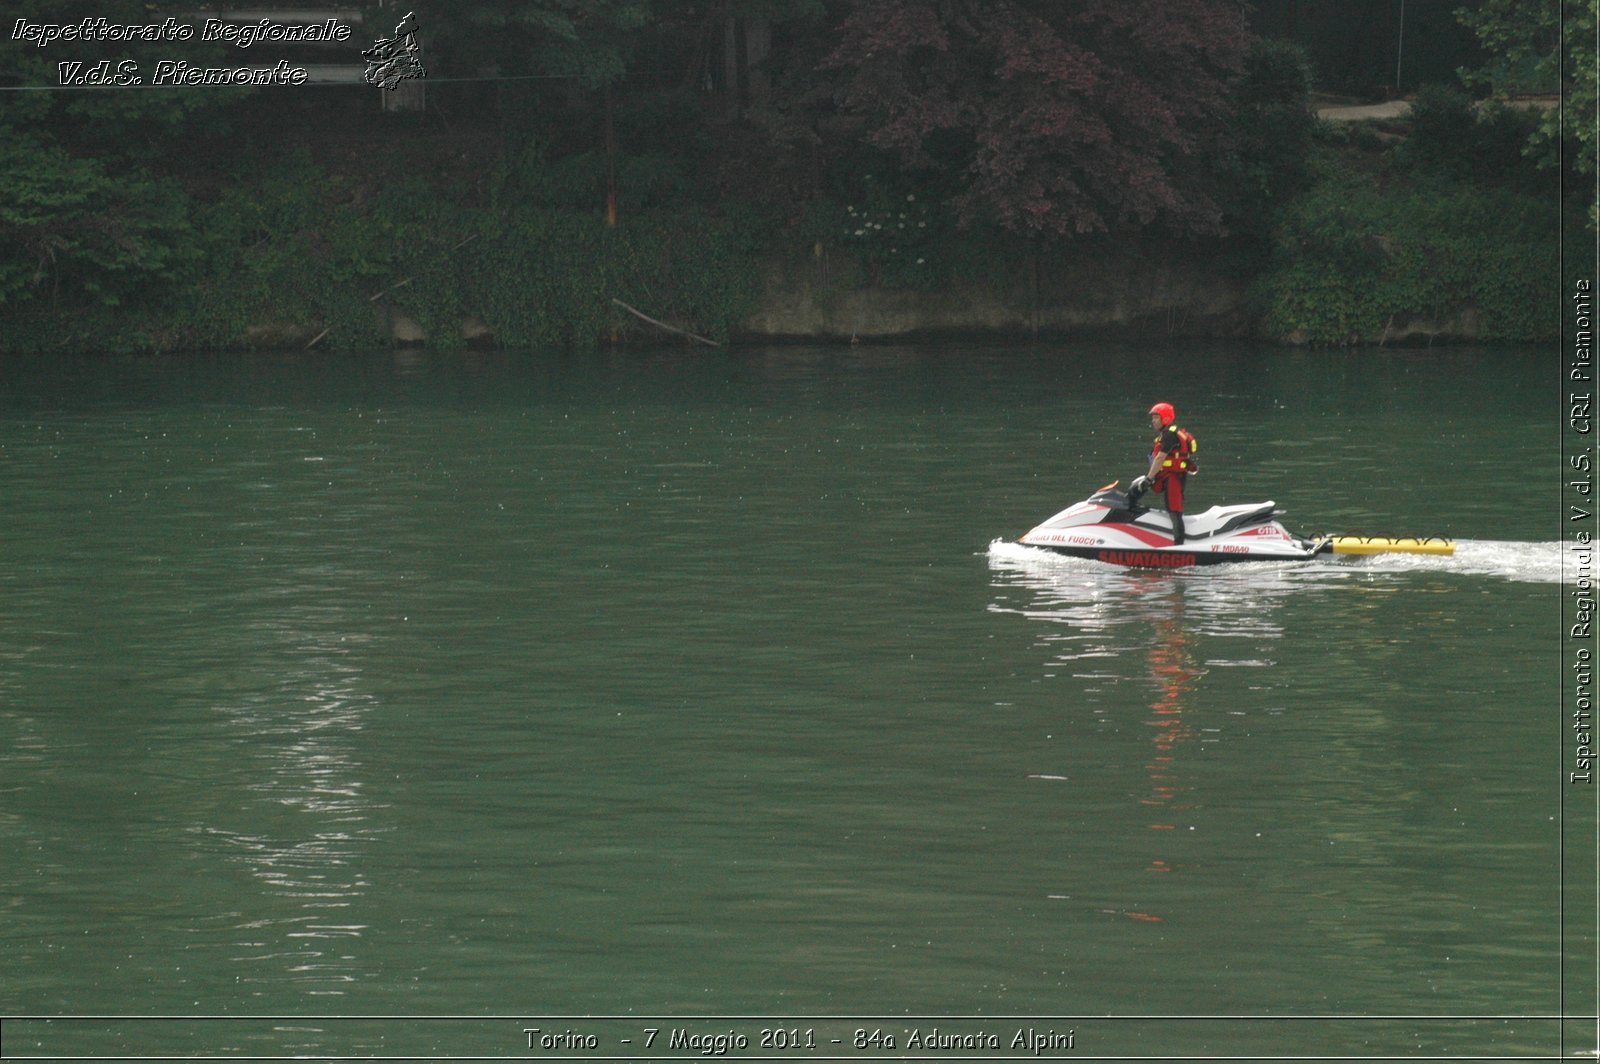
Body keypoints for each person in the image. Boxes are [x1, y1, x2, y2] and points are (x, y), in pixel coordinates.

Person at [1128, 402, 1197, 545]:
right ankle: (1128, 522)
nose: (1153, 421)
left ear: (1165, 419)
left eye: (1156, 418)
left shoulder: (1170, 435)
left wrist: (1148, 479)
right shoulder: (1167, 434)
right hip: (1164, 476)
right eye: (1152, 418)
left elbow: (1160, 458)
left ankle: (1179, 546)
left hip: (1173, 478)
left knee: (1174, 510)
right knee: (1135, 489)